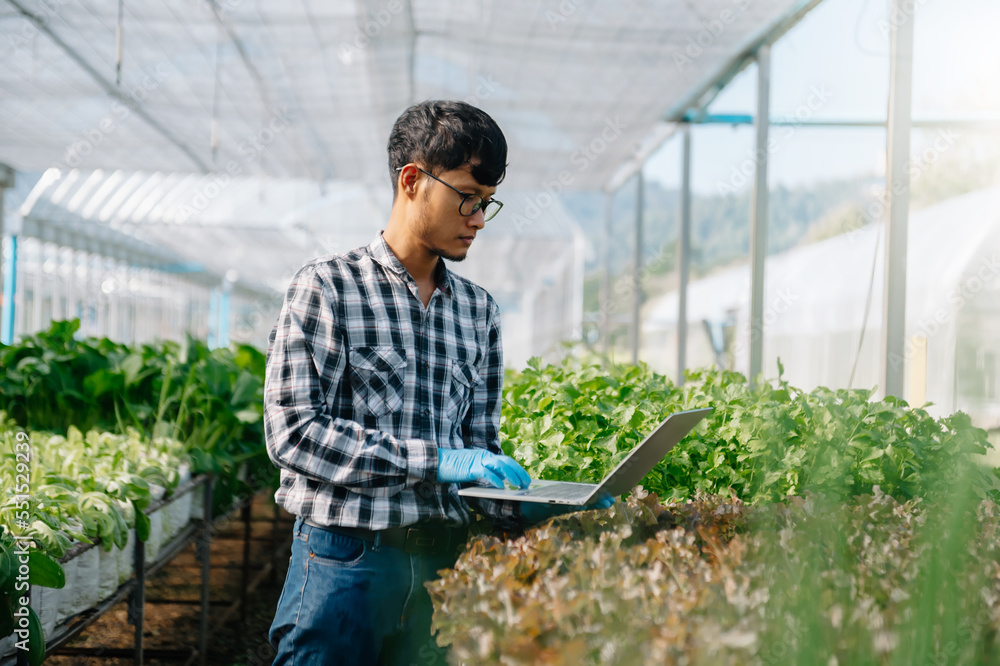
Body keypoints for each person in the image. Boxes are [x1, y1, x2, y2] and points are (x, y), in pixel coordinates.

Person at [264, 100, 611, 665]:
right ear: (412, 181)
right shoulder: (327, 288)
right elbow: (294, 433)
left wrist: (538, 504)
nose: (477, 218)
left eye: (487, 204)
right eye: (468, 198)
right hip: (343, 563)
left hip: (441, 573)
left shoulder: (479, 312)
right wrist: (437, 461)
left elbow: (479, 449)